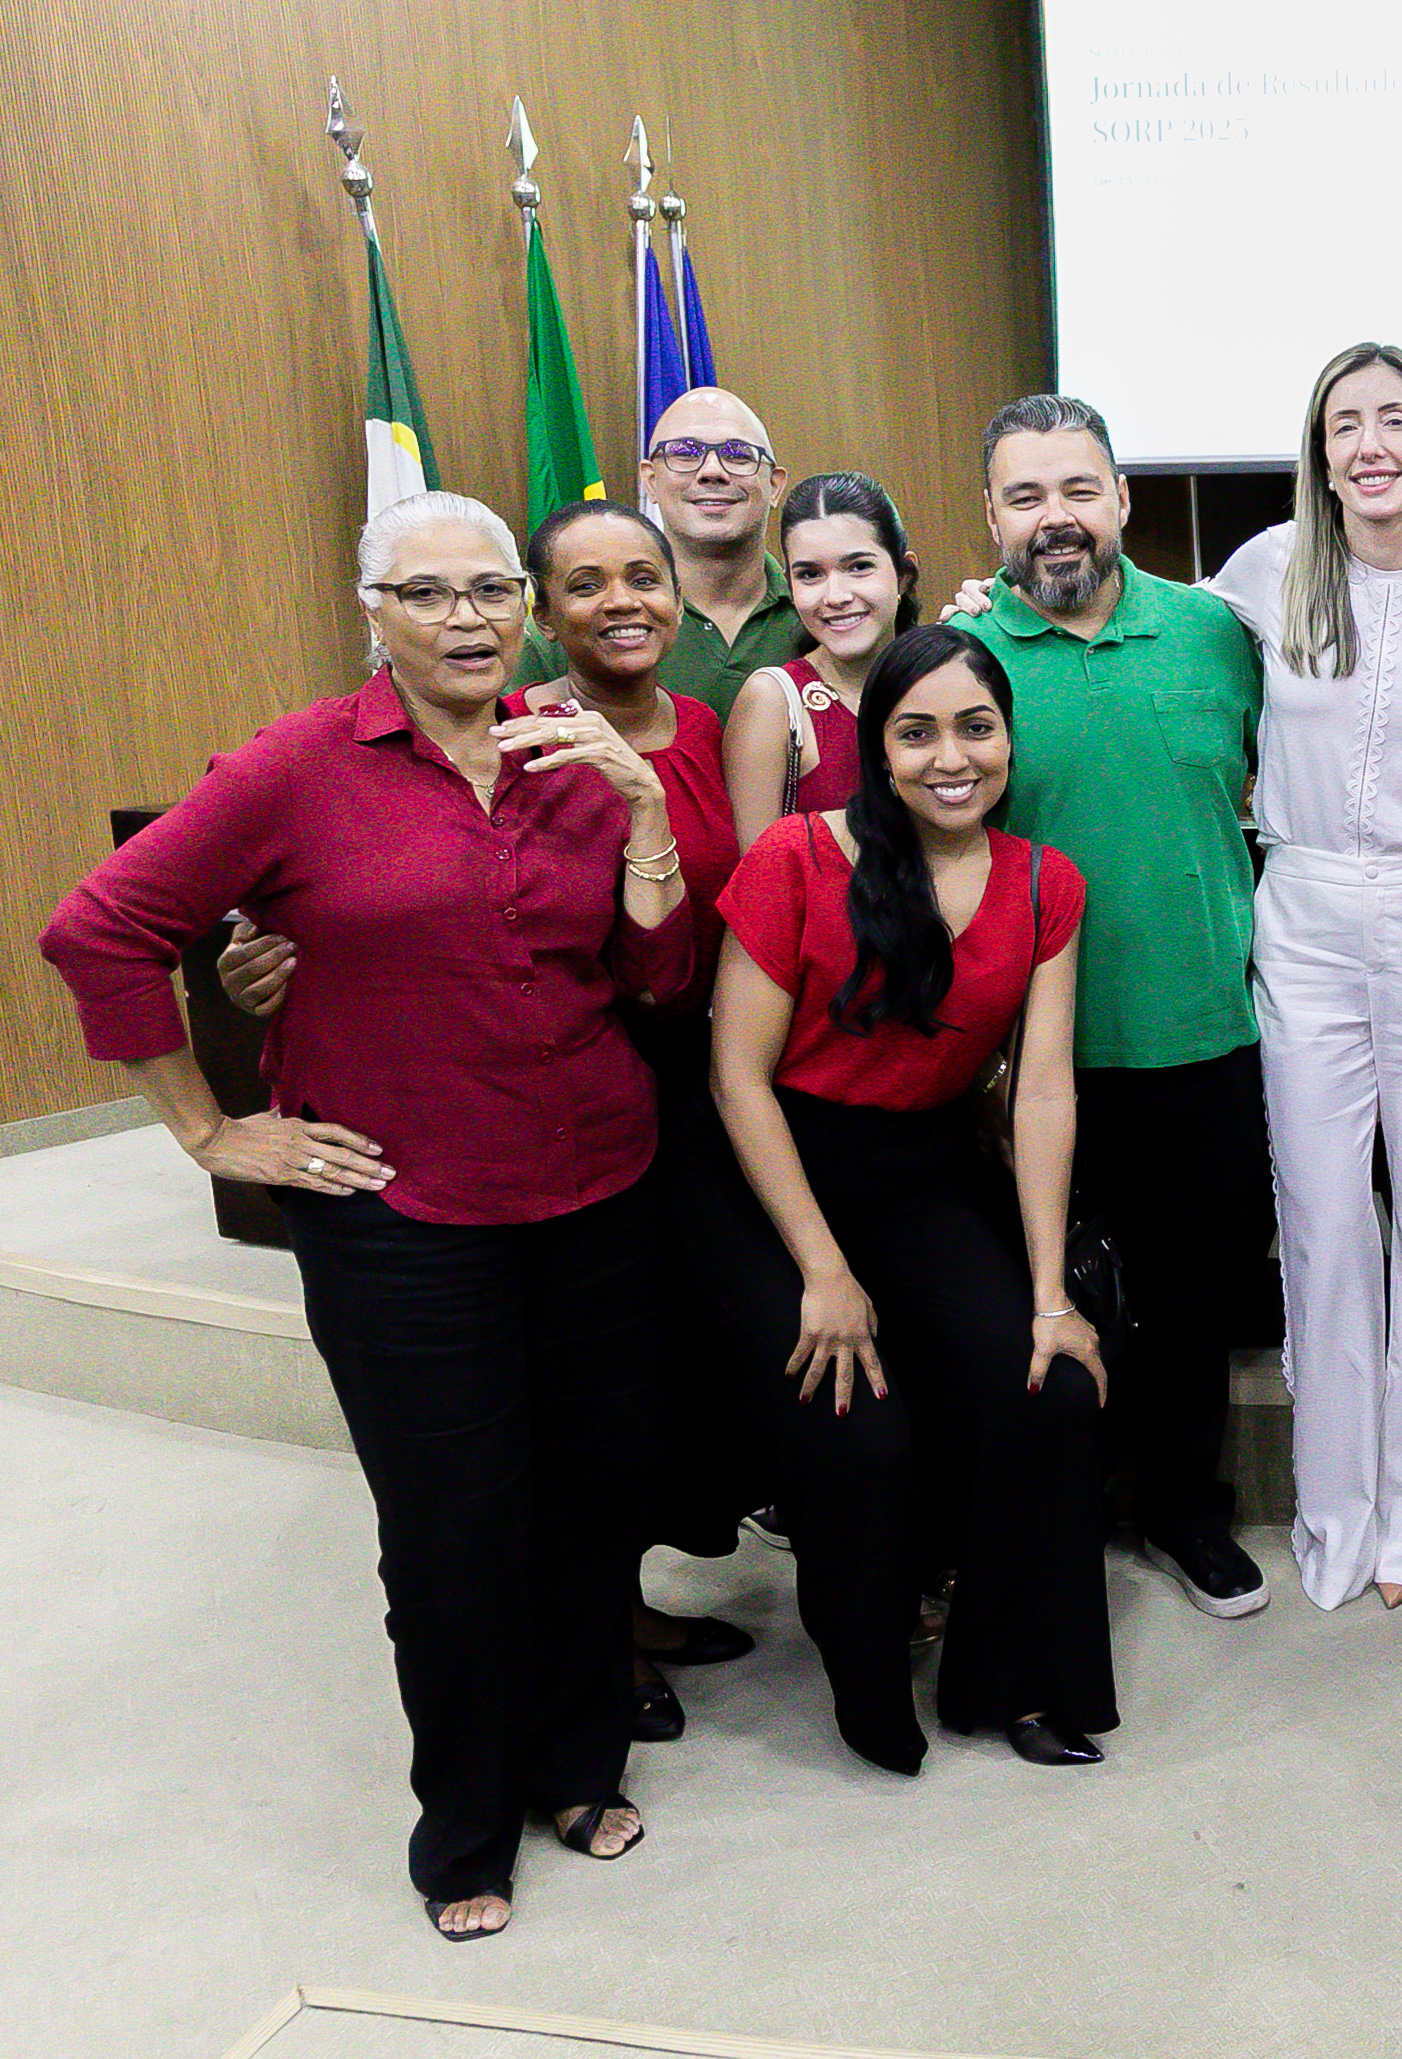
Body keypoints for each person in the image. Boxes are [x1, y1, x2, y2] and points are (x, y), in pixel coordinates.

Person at [40, 491, 691, 1939]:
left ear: (527, 608)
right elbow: (101, 929)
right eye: (429, 592)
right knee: (453, 1532)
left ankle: (579, 1762)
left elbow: (655, 981)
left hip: (595, 1186)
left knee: (594, 1500)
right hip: (404, 1213)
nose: (467, 617)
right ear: (374, 614)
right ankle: (466, 1818)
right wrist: (212, 1131)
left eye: (492, 589)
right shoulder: (295, 766)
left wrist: (647, 814)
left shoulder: (574, 756)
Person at [222, 501, 761, 1743]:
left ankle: (605, 1640)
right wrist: (232, 1078)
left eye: (643, 576)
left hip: (657, 1094)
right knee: (485, 1469)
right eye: (583, 583)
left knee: (625, 1422)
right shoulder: (480, 736)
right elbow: (307, 891)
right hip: (496, 1114)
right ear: (549, 616)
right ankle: (578, 1672)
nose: (619, 602)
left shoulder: (717, 721)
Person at [698, 623, 1116, 1775]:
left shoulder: (1044, 882)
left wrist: (1049, 1298)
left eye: (975, 728)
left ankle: (1013, 1679)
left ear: (1009, 740)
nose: (951, 756)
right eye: (916, 731)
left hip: (916, 1166)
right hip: (768, 1169)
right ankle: (868, 1673)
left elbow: (1040, 1092)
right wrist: (824, 1271)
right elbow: (735, 1078)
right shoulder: (795, 854)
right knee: (862, 1428)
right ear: (878, 749)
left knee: (1046, 1385)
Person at [1201, 344, 1402, 1611]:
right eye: (1347, 423)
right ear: (1321, 453)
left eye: (1396, 420)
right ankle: (1338, 1515)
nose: (1371, 443)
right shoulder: (1262, 571)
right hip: (1305, 910)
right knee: (1326, 1217)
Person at [956, 394, 1274, 1619]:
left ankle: (1185, 1512)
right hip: (1030, 1060)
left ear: (1123, 499)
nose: (1056, 517)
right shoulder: (962, 660)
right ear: (990, 514)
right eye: (1026, 495)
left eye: (1079, 489)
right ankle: (1062, 1519)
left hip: (1203, 1034)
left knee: (1193, 1302)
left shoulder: (1216, 632)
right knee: (1051, 1302)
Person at [517, 385, 808, 714]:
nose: (712, 472)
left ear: (774, 485)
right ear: (651, 481)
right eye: (685, 453)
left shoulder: (821, 612)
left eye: (738, 454)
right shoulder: (574, 622)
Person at [726, 472, 921, 846]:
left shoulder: (946, 678)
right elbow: (758, 873)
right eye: (810, 574)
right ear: (790, 585)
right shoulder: (773, 700)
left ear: (904, 574)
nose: (836, 596)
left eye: (859, 567)